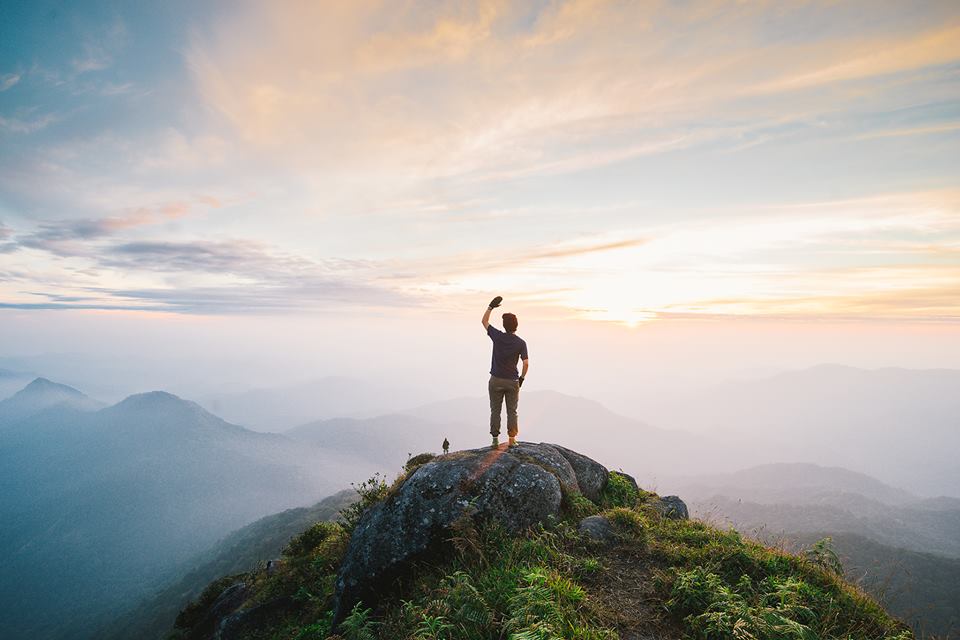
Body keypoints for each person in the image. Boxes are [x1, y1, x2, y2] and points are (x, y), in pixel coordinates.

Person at [481, 296, 529, 448]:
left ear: (504, 325)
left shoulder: (498, 336)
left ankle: (495, 440)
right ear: (516, 326)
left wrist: (490, 307)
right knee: (512, 411)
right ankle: (512, 440)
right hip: (512, 381)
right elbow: (526, 363)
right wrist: (521, 378)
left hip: (495, 380)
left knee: (495, 410)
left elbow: (484, 322)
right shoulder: (521, 343)